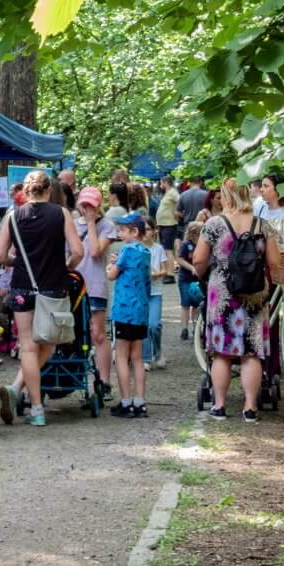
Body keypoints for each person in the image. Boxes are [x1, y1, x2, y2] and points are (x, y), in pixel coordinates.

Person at [0, 168, 83, 428]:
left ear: (25, 191)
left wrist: (17, 260)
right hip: (54, 286)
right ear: (48, 190)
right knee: (50, 343)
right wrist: (66, 264)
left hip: (22, 288)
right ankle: (26, 396)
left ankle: (33, 406)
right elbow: (77, 251)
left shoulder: (12, 217)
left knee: (29, 346)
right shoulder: (61, 213)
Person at [192, 179, 282, 423]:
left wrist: (201, 273)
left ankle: (219, 405)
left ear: (226, 196)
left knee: (221, 353)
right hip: (254, 293)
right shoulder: (263, 225)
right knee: (251, 352)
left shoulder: (213, 224)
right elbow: (274, 262)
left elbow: (199, 259)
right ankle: (250, 407)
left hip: (222, 293)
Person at [108, 212, 152, 418]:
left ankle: (126, 402)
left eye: (123, 231)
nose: (120, 234)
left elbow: (112, 275)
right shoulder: (146, 252)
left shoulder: (126, 249)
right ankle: (140, 401)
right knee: (137, 358)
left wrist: (111, 264)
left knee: (121, 356)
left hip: (124, 310)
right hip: (141, 310)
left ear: (135, 232)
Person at [75, 185, 116, 396]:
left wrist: (91, 223)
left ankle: (104, 382)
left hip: (95, 286)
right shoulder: (72, 225)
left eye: (90, 204)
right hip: (74, 287)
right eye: (84, 204)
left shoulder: (106, 225)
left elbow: (95, 251)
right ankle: (75, 377)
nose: (86, 208)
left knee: (98, 335)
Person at [176, 212, 205, 343]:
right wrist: (191, 267)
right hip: (185, 278)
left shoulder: (202, 245)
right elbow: (180, 259)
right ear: (194, 234)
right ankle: (184, 328)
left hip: (197, 278)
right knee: (185, 303)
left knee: (197, 303)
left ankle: (196, 328)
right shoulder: (185, 244)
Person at [255, 174, 284, 247]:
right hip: (267, 257)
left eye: (266, 186)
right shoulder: (260, 209)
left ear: (278, 189)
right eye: (262, 186)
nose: (261, 189)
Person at [146, 221, 167, 367]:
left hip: (155, 291)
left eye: (148, 229)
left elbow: (165, 270)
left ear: (154, 231)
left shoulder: (158, 248)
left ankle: (158, 352)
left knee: (154, 324)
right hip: (141, 291)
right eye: (143, 229)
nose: (145, 232)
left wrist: (156, 274)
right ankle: (146, 357)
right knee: (144, 325)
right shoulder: (137, 248)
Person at [154, 178, 180, 278]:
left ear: (165, 183)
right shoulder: (167, 193)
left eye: (161, 183)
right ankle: (167, 271)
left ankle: (170, 274)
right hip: (163, 224)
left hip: (169, 224)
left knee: (168, 250)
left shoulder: (173, 192)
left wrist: (176, 213)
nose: (160, 185)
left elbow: (180, 201)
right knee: (165, 249)